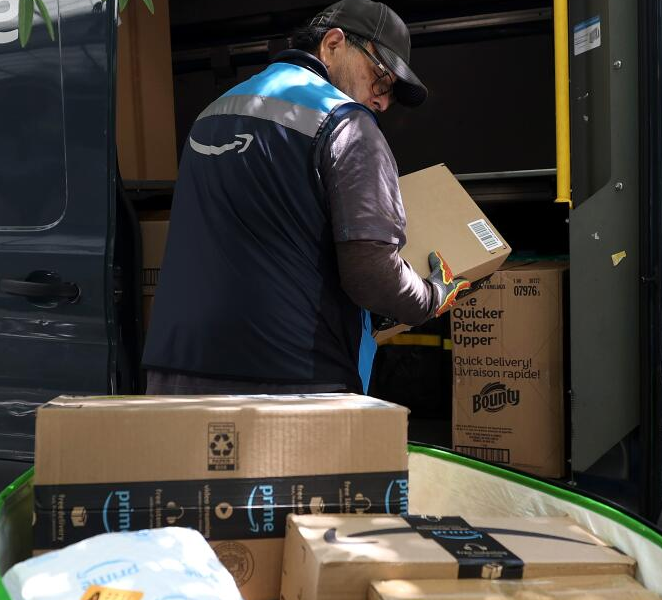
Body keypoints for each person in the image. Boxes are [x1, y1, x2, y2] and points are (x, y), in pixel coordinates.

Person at [142, 0, 468, 395]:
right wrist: (431, 297)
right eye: (381, 79)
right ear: (333, 44)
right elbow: (371, 273)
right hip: (291, 381)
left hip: (177, 372)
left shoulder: (212, 114)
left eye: (391, 95)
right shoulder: (346, 124)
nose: (383, 101)